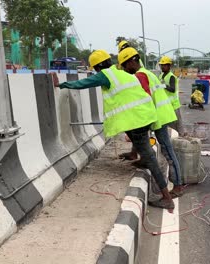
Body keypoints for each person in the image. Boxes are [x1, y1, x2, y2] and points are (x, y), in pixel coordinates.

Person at [58, 49, 175, 209]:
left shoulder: (105, 75)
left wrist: (61, 84)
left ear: (98, 66)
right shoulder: (121, 73)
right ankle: (144, 161)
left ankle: (166, 198)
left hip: (138, 120)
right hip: (145, 116)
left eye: (95, 69)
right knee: (138, 143)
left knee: (149, 157)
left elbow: (82, 84)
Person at [119, 47, 185, 198]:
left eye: (124, 65)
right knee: (164, 149)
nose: (124, 69)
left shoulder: (141, 75)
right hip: (160, 114)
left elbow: (145, 100)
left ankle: (178, 186)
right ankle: (146, 162)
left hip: (159, 117)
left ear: (130, 62)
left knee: (168, 151)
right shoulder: (147, 73)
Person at [158, 56, 184, 136]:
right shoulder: (160, 76)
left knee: (176, 125)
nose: (162, 66)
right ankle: (173, 140)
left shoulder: (171, 76)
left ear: (169, 66)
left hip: (173, 106)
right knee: (169, 127)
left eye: (164, 65)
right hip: (166, 106)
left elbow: (172, 89)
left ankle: (181, 138)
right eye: (161, 65)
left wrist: (163, 86)